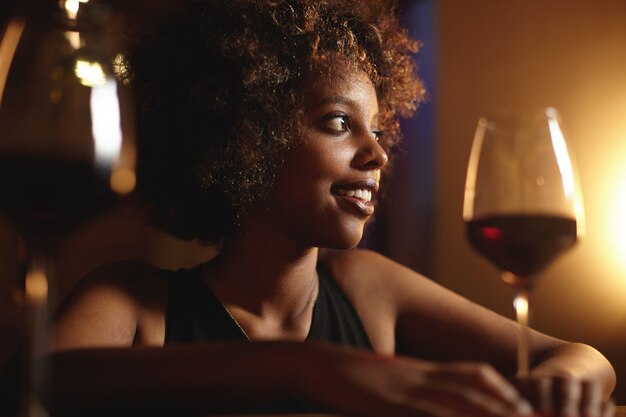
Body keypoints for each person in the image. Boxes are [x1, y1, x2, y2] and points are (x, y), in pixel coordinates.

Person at [41, 0, 616, 416]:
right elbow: (42, 383)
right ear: (248, 134)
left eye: (378, 130)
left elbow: (579, 357)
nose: (377, 155)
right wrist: (301, 368)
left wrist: (565, 384)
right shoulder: (134, 301)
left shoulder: (369, 288)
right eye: (339, 123)